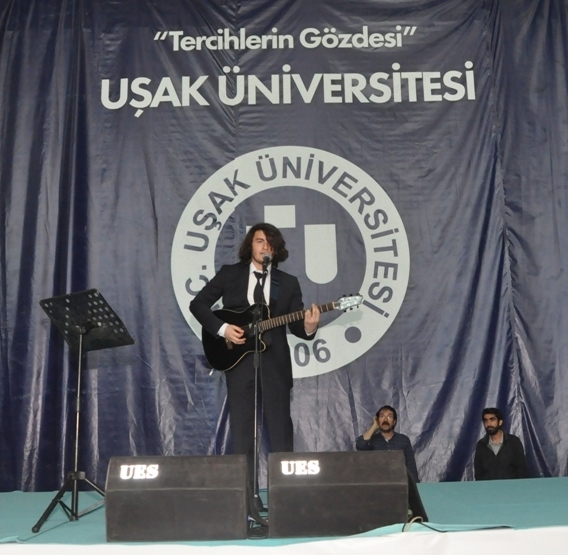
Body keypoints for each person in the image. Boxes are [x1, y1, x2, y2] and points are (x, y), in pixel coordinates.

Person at [190, 223, 320, 480]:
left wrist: (309, 326)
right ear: (250, 245)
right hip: (238, 362)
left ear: (276, 250)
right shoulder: (230, 274)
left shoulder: (288, 283)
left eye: (270, 243)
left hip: (275, 364)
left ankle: (284, 490)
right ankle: (246, 493)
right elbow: (198, 305)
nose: (265, 247)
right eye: (260, 241)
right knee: (242, 433)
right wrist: (223, 329)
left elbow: (297, 326)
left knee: (280, 432)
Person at [355, 405, 419, 483]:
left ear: (394, 422)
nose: (385, 419)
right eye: (382, 416)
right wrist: (373, 427)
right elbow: (360, 446)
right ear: (377, 421)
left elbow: (411, 466)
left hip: (399, 483)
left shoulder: (403, 440)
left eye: (389, 416)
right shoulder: (372, 440)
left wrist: (415, 485)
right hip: (377, 484)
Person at [474, 407, 528, 480]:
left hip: (511, 486)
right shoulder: (481, 445)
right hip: (488, 487)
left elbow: (522, 470)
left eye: (492, 419)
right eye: (485, 420)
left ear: (500, 422)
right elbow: (478, 474)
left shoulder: (514, 442)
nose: (488, 424)